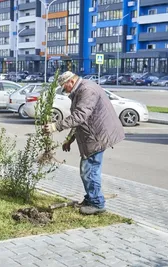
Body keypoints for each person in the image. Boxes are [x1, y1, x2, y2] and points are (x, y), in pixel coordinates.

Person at [44, 71, 125, 215]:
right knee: (89, 169)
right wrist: (70, 139)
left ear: (71, 82)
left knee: (89, 170)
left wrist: (55, 126)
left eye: (64, 87)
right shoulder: (81, 90)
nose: (65, 91)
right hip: (94, 134)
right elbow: (80, 119)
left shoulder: (87, 90)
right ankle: (91, 198)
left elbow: (80, 116)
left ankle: (97, 204)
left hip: (98, 136)